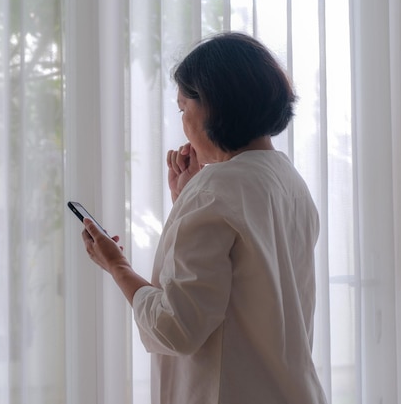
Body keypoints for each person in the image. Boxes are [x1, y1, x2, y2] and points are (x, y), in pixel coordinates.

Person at [80, 32, 328, 404]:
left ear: (212, 106)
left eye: (183, 108)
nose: (183, 123)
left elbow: (178, 327)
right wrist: (185, 199)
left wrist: (117, 266)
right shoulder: (290, 182)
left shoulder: (216, 189)